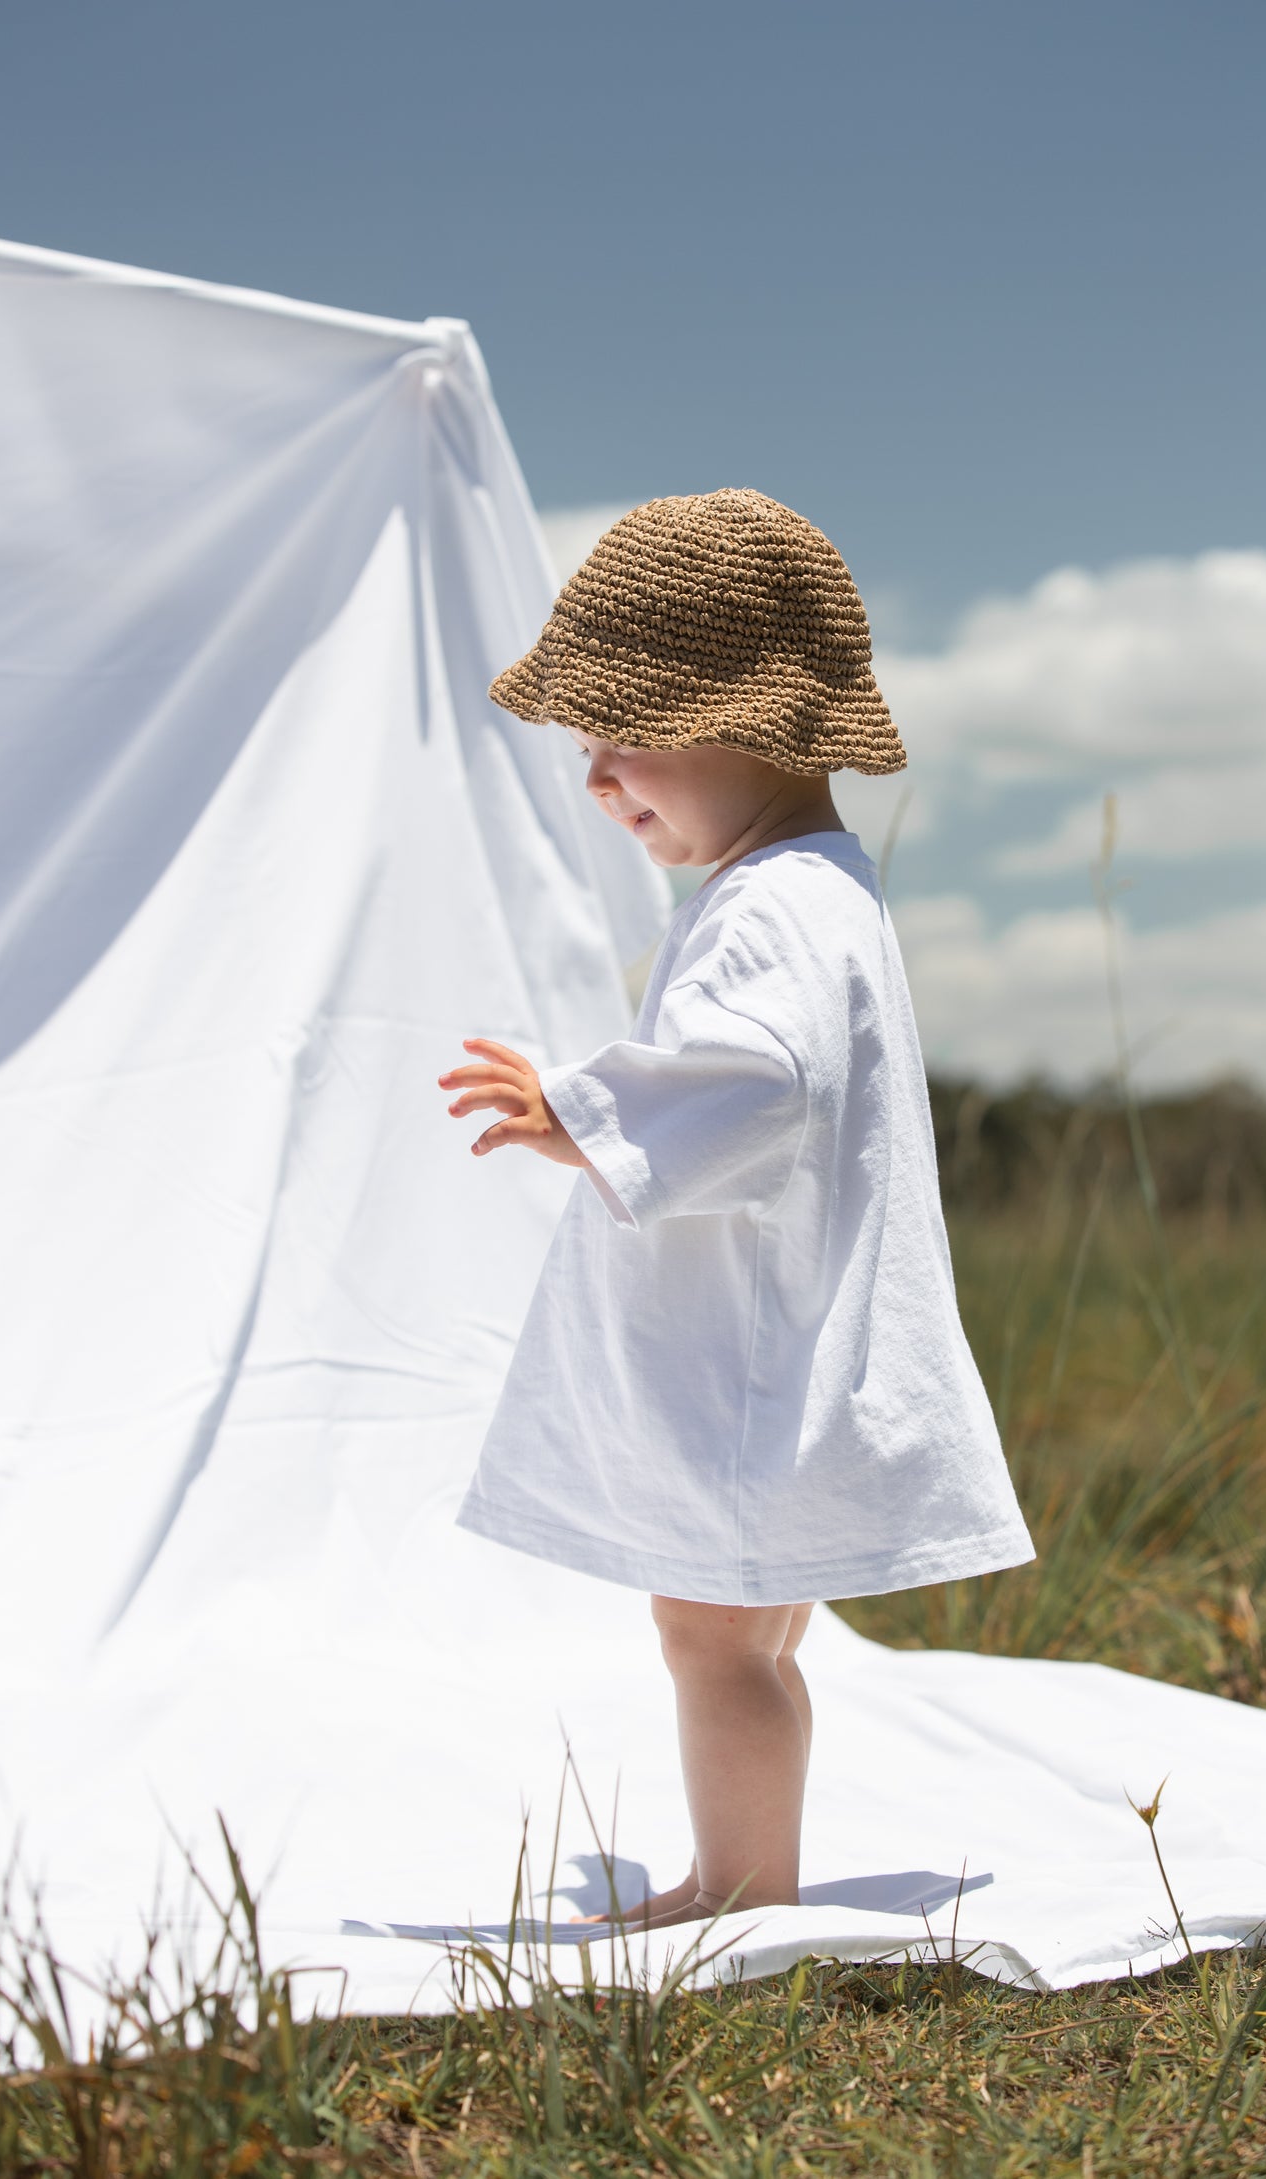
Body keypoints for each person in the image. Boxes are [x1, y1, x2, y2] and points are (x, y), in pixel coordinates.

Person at [438, 489, 1034, 1930]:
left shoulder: (773, 906)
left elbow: (761, 1080)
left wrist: (583, 1113)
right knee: (743, 1642)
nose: (593, 777)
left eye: (620, 735)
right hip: (790, 1343)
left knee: (708, 1641)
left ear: (743, 721)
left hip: (756, 1369)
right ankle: (743, 1874)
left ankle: (739, 1891)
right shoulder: (819, 888)